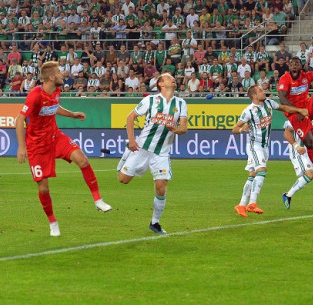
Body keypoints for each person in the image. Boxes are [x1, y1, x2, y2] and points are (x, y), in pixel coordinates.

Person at [16, 61, 112, 237]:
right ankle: (53, 222)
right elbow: (19, 120)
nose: (62, 74)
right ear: (52, 77)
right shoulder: (35, 95)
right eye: (59, 72)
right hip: (36, 146)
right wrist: (22, 147)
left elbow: (55, 107)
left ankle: (98, 200)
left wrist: (72, 114)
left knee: (83, 160)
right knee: (43, 189)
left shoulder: (57, 91)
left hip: (55, 137)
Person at [117, 73, 188, 234]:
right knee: (123, 180)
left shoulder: (181, 103)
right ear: (161, 84)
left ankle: (155, 222)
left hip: (162, 152)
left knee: (161, 187)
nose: (173, 79)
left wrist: (175, 129)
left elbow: (184, 128)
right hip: (142, 147)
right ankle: (126, 154)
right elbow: (130, 117)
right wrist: (131, 140)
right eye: (169, 78)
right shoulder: (150, 100)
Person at [231, 85, 309, 217]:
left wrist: (299, 110)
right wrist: (241, 130)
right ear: (254, 96)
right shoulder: (249, 111)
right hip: (254, 145)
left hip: (264, 145)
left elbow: (284, 108)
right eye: (261, 91)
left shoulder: (268, 103)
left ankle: (241, 205)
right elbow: (234, 129)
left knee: (252, 174)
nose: (264, 92)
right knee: (262, 170)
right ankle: (252, 203)